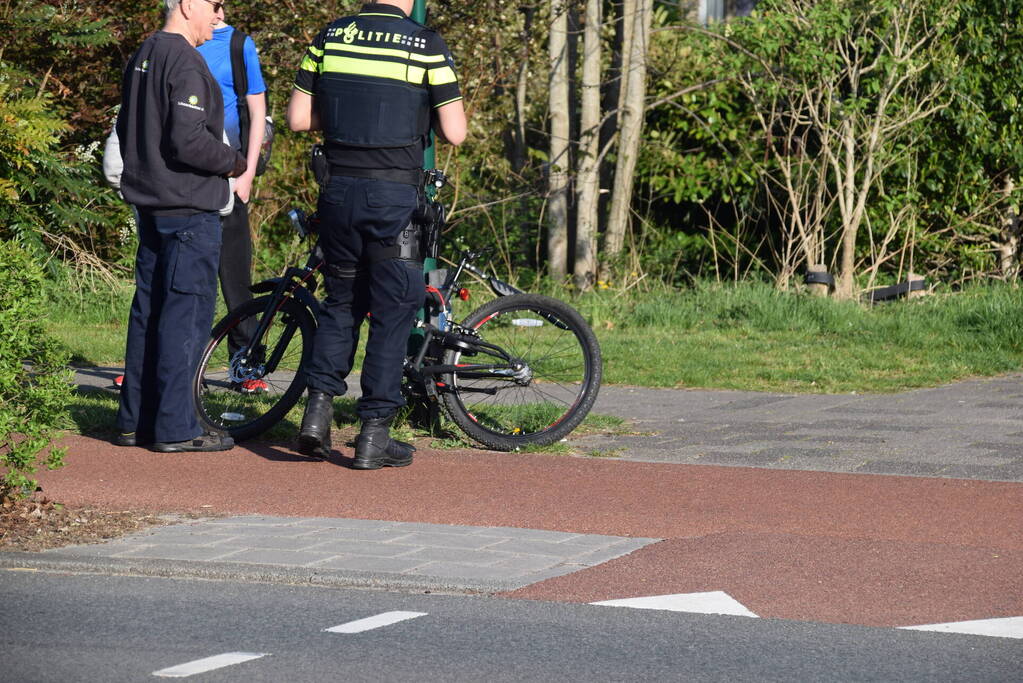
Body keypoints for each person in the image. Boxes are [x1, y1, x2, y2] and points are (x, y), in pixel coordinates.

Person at [287, 0, 466, 469]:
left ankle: (317, 414)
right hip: (393, 198)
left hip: (338, 192)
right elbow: (455, 132)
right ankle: (373, 435)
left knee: (341, 302)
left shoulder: (330, 36)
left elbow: (299, 119)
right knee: (392, 312)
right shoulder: (425, 44)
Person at [114, 0, 247, 453]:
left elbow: (126, 125)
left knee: (148, 314)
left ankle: (134, 420)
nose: (220, 17)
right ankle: (176, 427)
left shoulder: (144, 53)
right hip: (188, 209)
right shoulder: (186, 61)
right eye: (214, 6)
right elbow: (188, 140)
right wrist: (234, 161)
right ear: (189, 4)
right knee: (185, 318)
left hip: (151, 206)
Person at [197, 14, 269, 393]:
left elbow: (257, 109)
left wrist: (248, 173)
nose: (218, 12)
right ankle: (168, 366)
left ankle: (246, 368)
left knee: (235, 280)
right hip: (182, 181)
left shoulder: (240, 45)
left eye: (222, 3)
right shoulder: (174, 41)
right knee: (182, 277)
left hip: (229, 177)